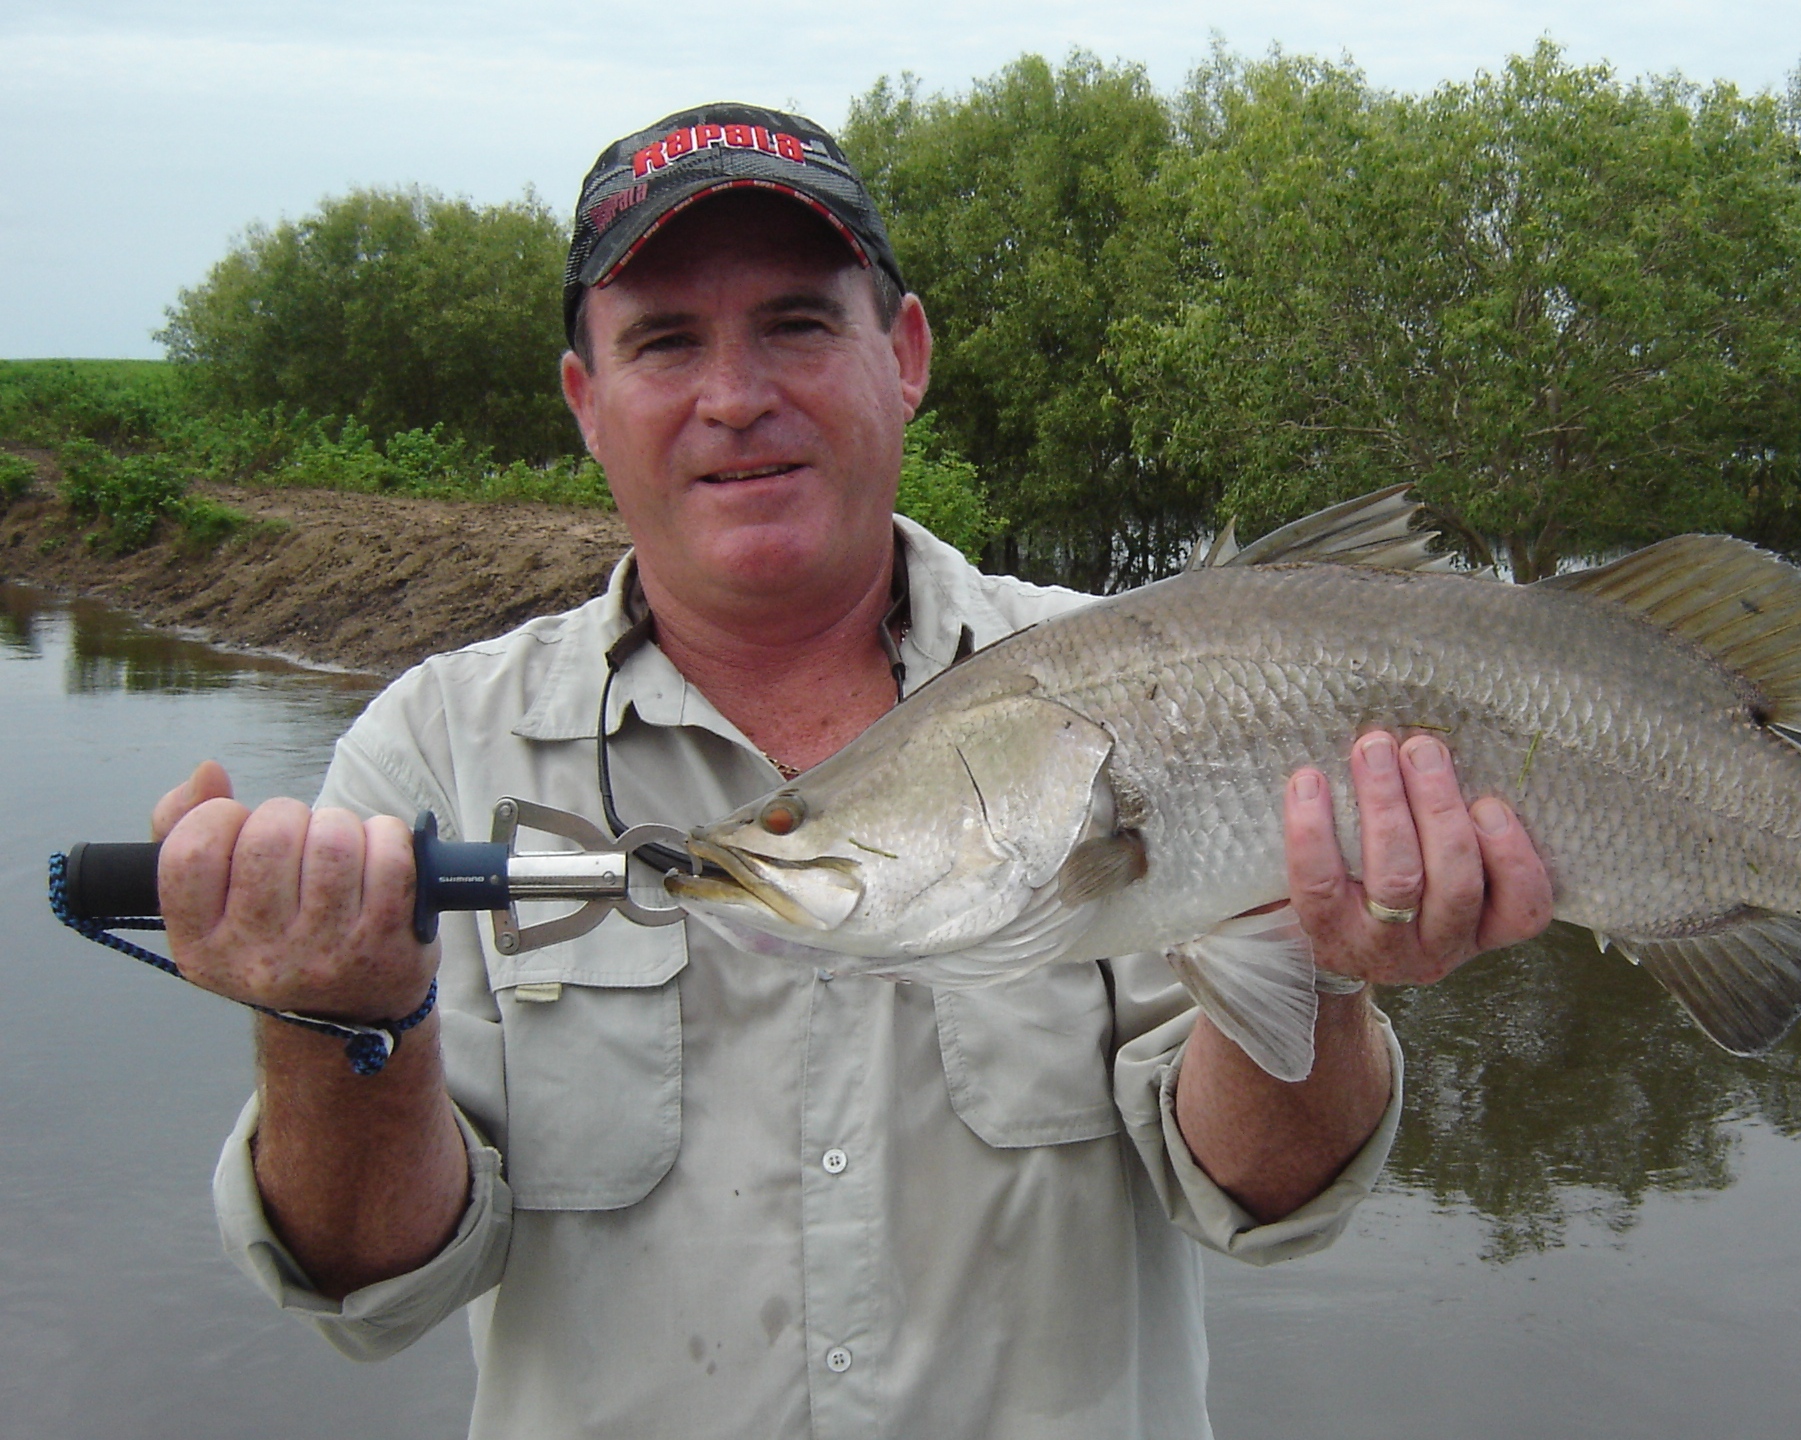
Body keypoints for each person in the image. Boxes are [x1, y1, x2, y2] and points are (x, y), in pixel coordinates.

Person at [149, 103, 1551, 1438]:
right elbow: (370, 1282)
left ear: (907, 354)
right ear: (586, 401)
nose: (735, 397)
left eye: (799, 325)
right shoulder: (429, 750)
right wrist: (341, 1029)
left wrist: (1326, 970)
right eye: (665, 343)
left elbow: (1262, 1197)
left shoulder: (1143, 686)